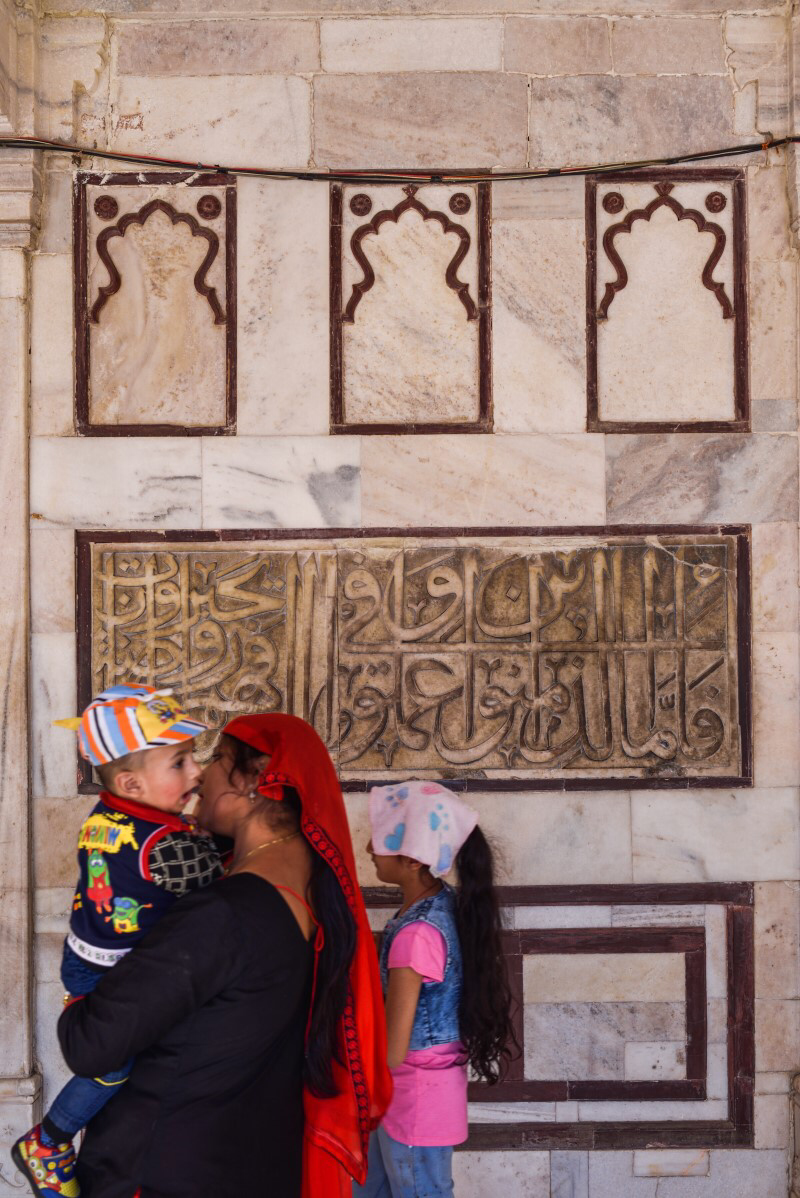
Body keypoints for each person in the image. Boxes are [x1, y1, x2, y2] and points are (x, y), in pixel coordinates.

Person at [55, 713, 392, 1198]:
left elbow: (89, 1044)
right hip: (253, 1168)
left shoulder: (224, 914)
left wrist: (80, 991)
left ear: (254, 780)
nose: (197, 774)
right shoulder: (307, 898)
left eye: (211, 758)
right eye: (183, 761)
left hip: (163, 1171)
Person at [13, 683, 218, 1198]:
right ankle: (48, 1142)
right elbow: (226, 884)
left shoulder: (110, 815)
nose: (197, 772)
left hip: (89, 959)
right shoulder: (164, 846)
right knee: (112, 1067)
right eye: (179, 763)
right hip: (106, 972)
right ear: (131, 782)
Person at [355, 781, 515, 1198]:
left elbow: (392, 1050)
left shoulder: (417, 934)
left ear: (412, 859)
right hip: (415, 1099)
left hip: (412, 1104)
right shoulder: (442, 907)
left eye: (380, 840)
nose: (369, 848)